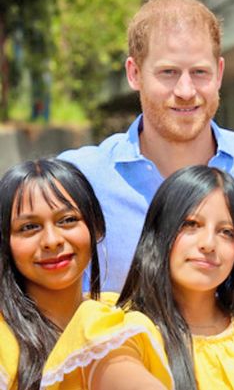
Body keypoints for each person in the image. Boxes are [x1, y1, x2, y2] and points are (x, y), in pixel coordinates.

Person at [58, 0, 234, 292]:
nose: (186, 90)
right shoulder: (79, 178)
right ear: (134, 73)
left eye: (199, 72)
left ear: (219, 73)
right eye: (168, 72)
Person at [90, 165, 234, 390]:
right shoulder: (125, 331)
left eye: (227, 232)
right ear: (159, 232)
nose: (208, 244)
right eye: (191, 225)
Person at [0, 159, 117, 389]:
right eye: (29, 227)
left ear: (96, 228)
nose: (51, 241)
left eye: (68, 220)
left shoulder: (119, 316)